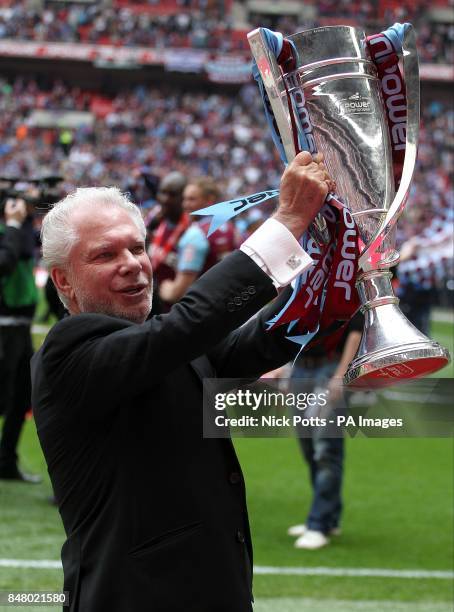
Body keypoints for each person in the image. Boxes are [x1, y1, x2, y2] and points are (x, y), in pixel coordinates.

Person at [31, 151, 333, 612]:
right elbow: (190, 326)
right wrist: (287, 220)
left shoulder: (157, 340)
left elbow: (246, 347)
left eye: (136, 247)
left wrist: (326, 294)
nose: (132, 263)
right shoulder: (69, 348)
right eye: (105, 254)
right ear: (65, 282)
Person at [287, 314, 362, 549]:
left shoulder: (346, 279)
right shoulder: (302, 280)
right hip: (301, 368)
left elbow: (356, 330)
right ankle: (328, 517)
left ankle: (318, 523)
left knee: (325, 449)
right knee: (309, 446)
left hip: (330, 366)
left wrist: (341, 375)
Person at [0, 197, 41, 482]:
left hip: (19, 325)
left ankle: (6, 461)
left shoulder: (19, 231)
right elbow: (6, 261)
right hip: (4, 326)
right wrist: (13, 224)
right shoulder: (10, 232)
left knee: (21, 394)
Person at [159, 176, 240, 304]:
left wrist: (164, 288)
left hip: (203, 307)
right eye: (184, 199)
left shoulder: (195, 234)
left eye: (192, 199)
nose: (185, 205)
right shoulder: (230, 228)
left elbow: (177, 293)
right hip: (227, 301)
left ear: (209, 201)